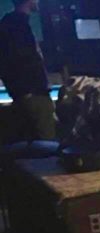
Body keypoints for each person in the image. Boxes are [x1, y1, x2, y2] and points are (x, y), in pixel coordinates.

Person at [0, 0, 56, 140]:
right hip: (33, 96)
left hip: (29, 96)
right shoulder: (16, 26)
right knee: (46, 148)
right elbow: (16, 61)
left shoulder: (12, 24)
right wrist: (27, 92)